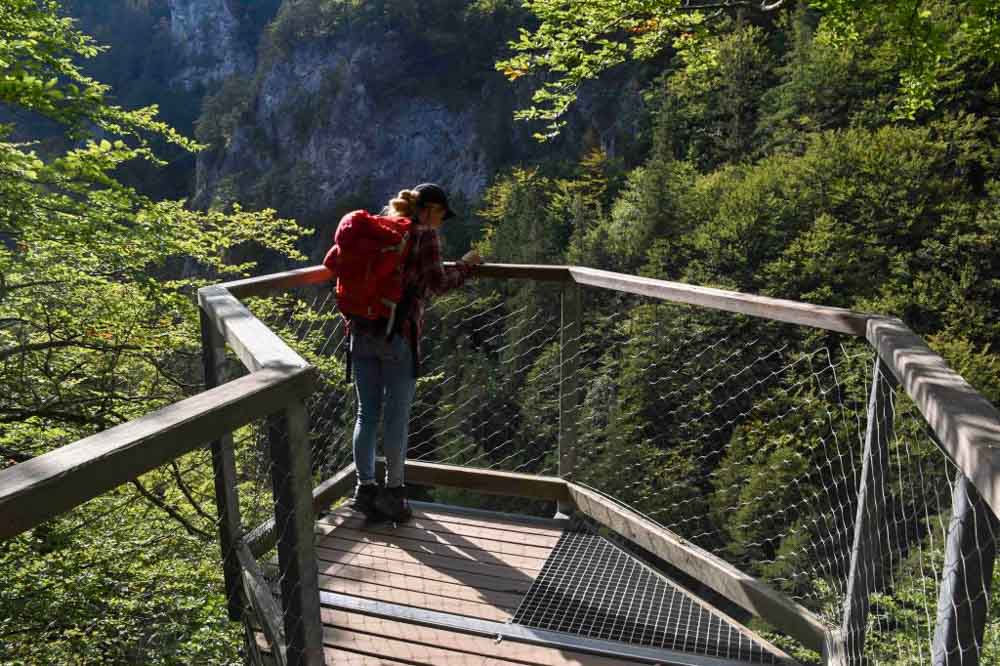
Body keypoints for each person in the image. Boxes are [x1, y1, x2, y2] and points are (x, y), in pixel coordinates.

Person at [348, 183, 482, 523]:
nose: (441, 222)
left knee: (366, 414)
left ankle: (365, 490)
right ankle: (394, 494)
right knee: (396, 418)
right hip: (398, 337)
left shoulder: (383, 229)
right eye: (441, 215)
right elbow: (438, 283)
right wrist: (466, 266)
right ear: (430, 210)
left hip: (361, 332)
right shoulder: (425, 235)